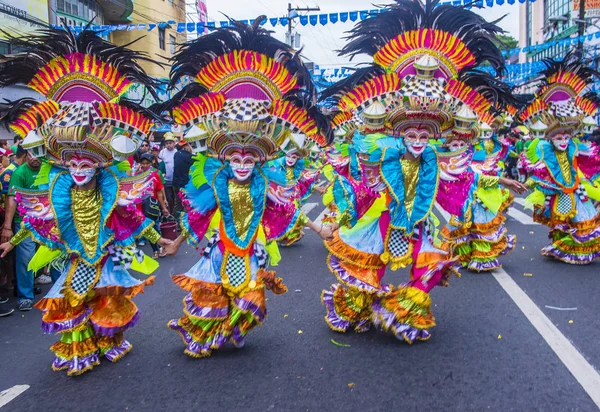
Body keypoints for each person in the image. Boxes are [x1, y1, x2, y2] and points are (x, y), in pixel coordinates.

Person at [318, 0, 509, 342]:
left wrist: (500, 179)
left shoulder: (441, 160)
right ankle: (355, 305)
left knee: (434, 263)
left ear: (435, 136)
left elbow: (466, 178)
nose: (418, 140)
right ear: (398, 133)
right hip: (386, 214)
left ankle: (406, 306)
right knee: (365, 261)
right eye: (411, 134)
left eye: (425, 135)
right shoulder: (382, 155)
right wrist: (343, 214)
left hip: (429, 217)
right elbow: (365, 184)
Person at [0, 26, 176, 376]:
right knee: (72, 300)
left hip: (105, 254)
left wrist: (162, 238)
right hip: (75, 255)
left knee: (107, 300)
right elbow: (40, 219)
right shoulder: (59, 190)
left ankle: (107, 340)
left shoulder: (112, 189)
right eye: (73, 163)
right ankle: (80, 347)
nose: (80, 169)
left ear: (99, 163)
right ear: (64, 163)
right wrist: (12, 241)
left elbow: (132, 220)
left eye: (87, 163)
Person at [164, 17, 333, 358]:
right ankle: (208, 332)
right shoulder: (216, 180)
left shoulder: (266, 180)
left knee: (250, 298)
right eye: (236, 159)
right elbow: (197, 211)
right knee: (211, 293)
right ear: (225, 158)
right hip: (221, 247)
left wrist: (318, 227)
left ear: (259, 160)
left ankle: (230, 327)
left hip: (251, 246)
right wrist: (173, 241)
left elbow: (288, 205)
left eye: (249, 159)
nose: (242, 165)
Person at [520, 51, 600, 264]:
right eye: (559, 136)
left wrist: (587, 178)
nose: (563, 140)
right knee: (563, 220)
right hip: (558, 190)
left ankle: (576, 250)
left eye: (566, 135)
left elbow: (589, 160)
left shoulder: (574, 145)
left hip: (576, 187)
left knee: (584, 218)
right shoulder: (544, 147)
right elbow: (538, 167)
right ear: (550, 136)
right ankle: (564, 247)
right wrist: (533, 180)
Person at [1, 150, 42, 311]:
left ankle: (57, 294)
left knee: (48, 257)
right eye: (32, 155)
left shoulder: (47, 168)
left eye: (39, 155)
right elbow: (11, 199)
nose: (36, 159)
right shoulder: (19, 173)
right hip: (24, 222)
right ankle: (25, 296)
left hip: (46, 222)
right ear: (26, 156)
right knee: (25, 258)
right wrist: (7, 226)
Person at [136, 153, 169, 258]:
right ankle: (155, 250)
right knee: (147, 229)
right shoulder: (137, 175)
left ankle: (161, 248)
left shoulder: (155, 175)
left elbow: (159, 191)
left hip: (152, 207)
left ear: (151, 163)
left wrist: (163, 207)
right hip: (140, 207)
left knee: (155, 227)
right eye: (143, 163)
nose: (145, 165)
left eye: (147, 163)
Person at [172, 140, 194, 217]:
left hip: (175, 183)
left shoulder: (176, 154)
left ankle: (177, 223)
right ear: (186, 147)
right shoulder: (190, 157)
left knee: (178, 204)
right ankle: (184, 224)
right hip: (185, 185)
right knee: (186, 205)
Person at [159, 132, 177, 214]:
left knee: (175, 198)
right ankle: (168, 213)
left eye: (170, 143)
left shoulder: (177, 152)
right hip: (166, 180)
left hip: (175, 180)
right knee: (168, 198)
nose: (169, 145)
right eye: (167, 143)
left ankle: (175, 213)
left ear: (174, 143)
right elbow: (160, 164)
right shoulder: (162, 152)